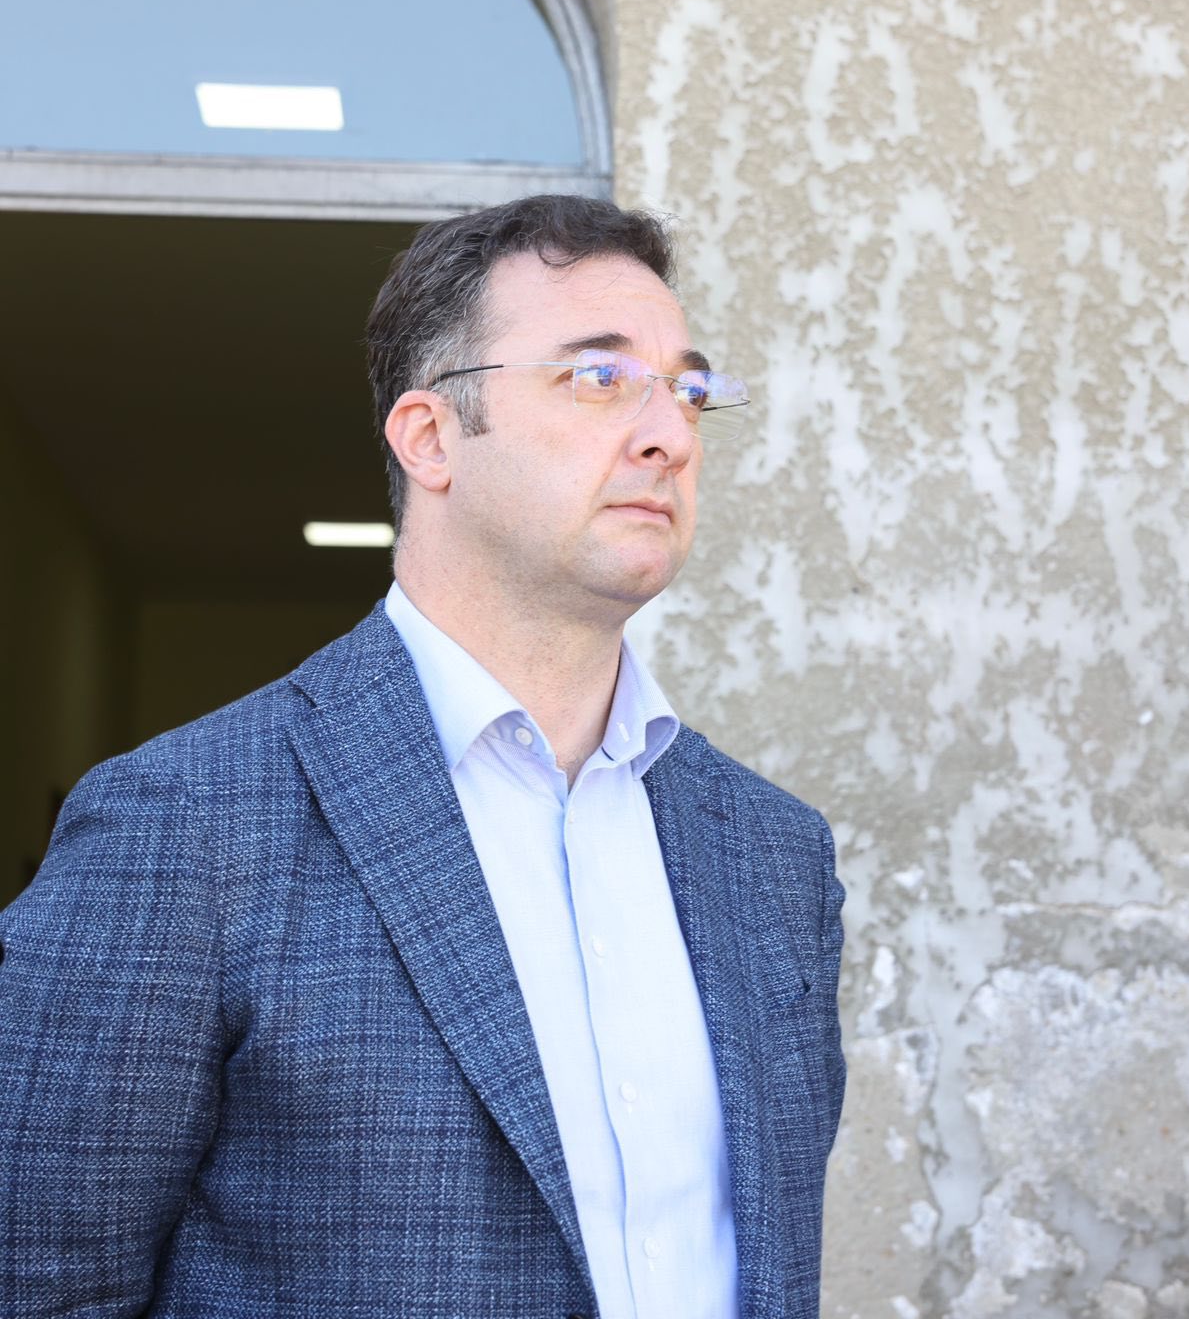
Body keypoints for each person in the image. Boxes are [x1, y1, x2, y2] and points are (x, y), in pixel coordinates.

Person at [0, 195, 845, 1319]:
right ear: (431, 437)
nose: (671, 437)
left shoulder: (778, 857)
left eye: (688, 391)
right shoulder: (184, 826)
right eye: (599, 377)